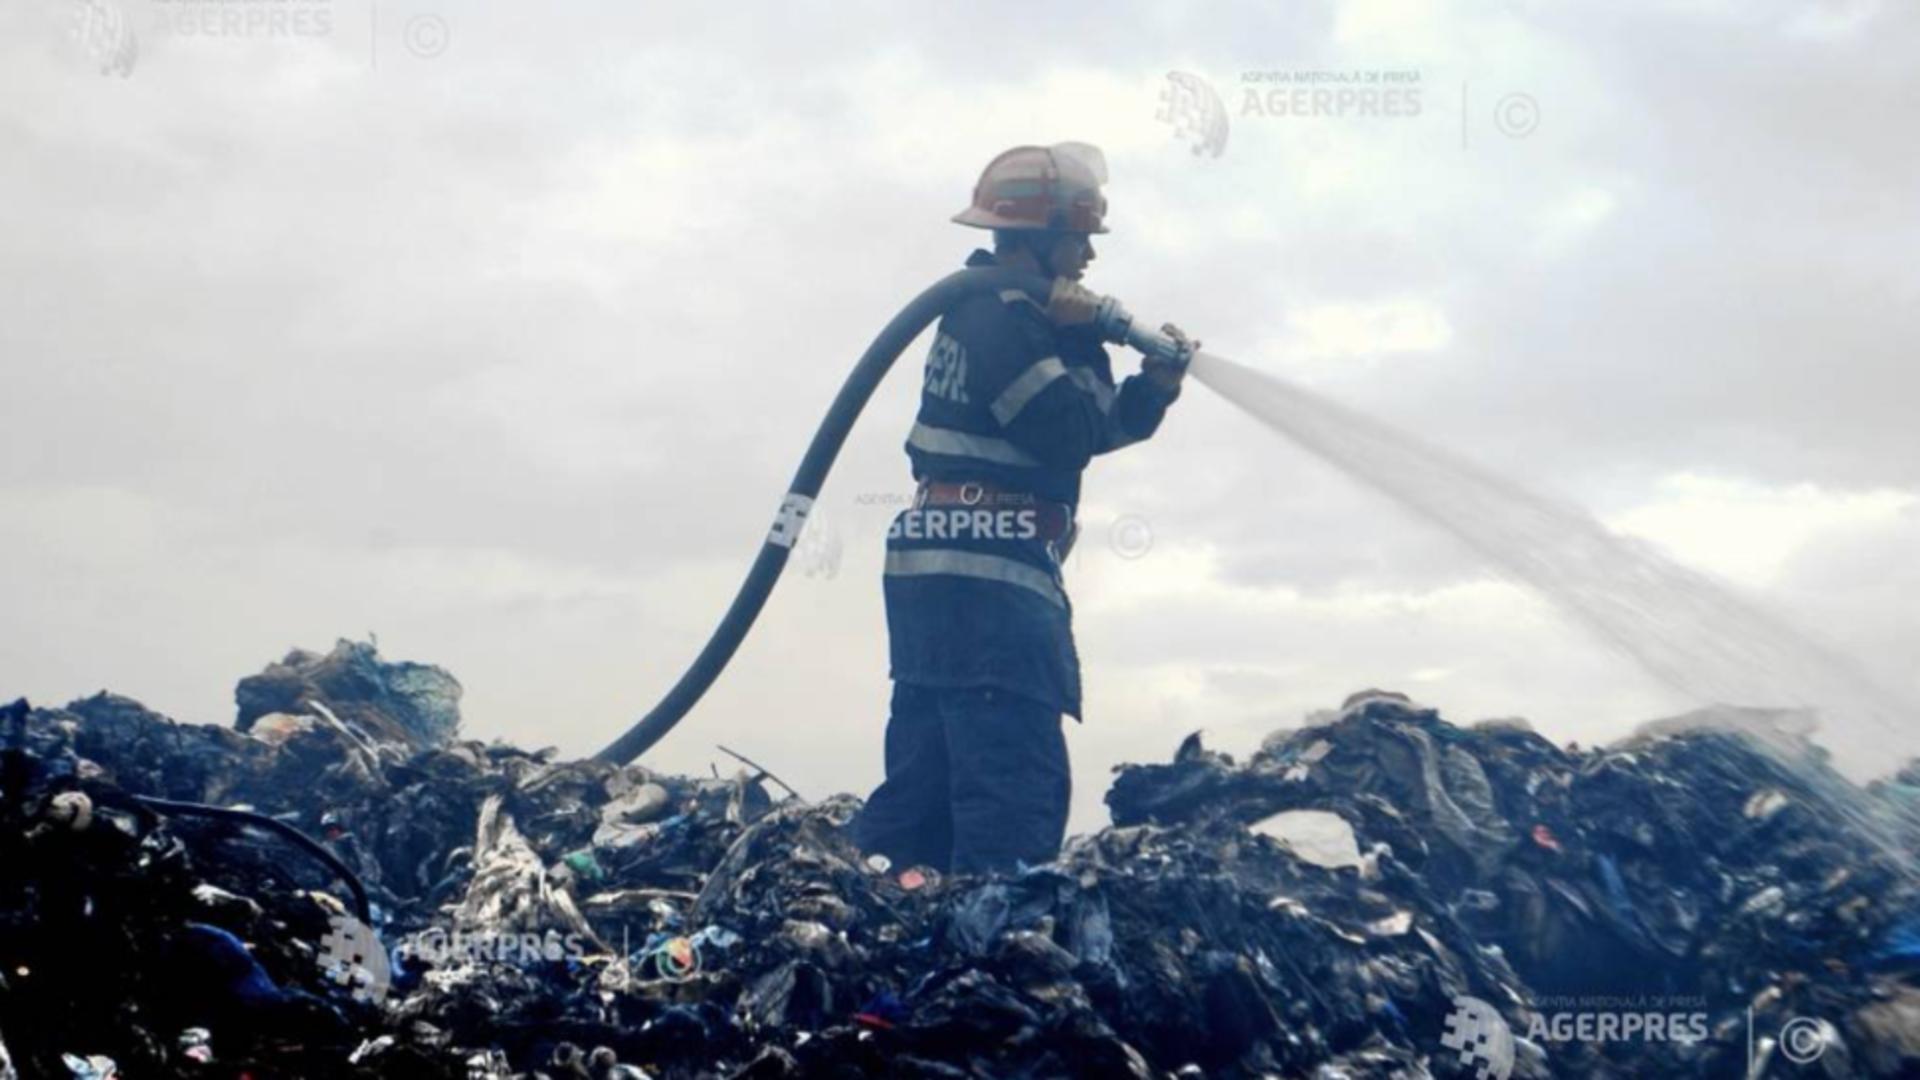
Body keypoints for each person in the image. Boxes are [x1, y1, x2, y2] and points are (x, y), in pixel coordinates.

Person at [852, 143, 1194, 875]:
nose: (1088, 261)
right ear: (1040, 239)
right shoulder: (998, 317)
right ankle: (990, 954)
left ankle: (883, 930)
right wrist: (1081, 334)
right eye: (1078, 242)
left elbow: (1092, 426)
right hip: (987, 574)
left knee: (929, 787)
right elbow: (1066, 434)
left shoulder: (998, 313)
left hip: (949, 564)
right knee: (1012, 792)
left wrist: (1153, 390)